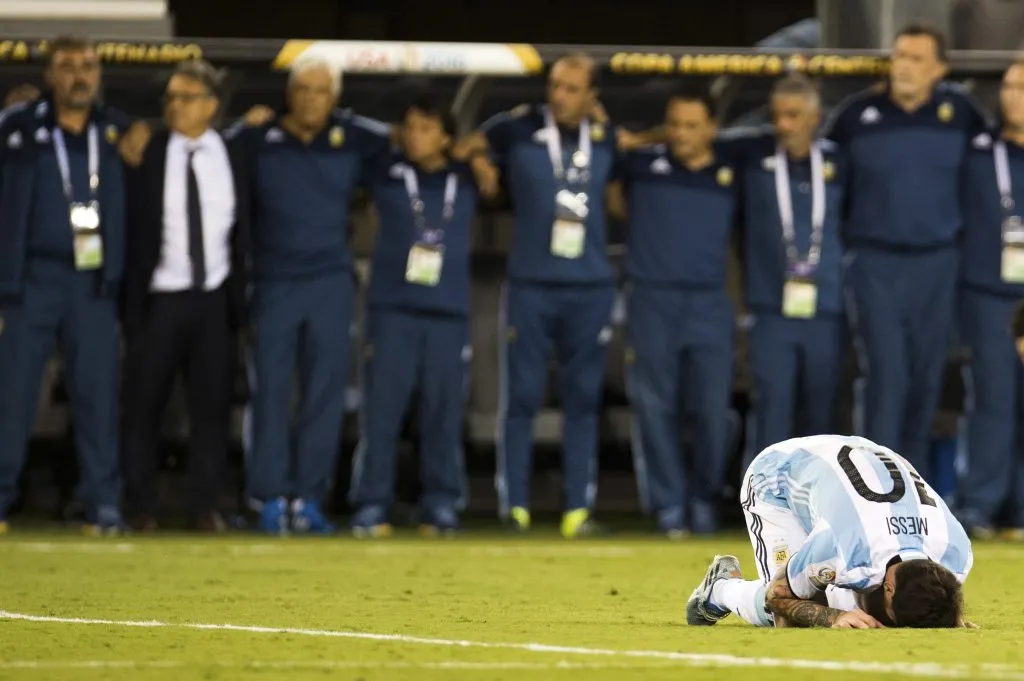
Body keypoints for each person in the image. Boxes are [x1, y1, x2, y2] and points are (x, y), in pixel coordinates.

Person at [452, 52, 618, 538]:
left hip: (589, 288)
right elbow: (467, 144)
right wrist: (482, 160)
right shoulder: (518, 128)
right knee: (520, 398)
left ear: (591, 96)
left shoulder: (607, 138)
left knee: (582, 401)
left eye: (571, 89)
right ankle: (515, 506)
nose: (559, 96)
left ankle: (577, 509)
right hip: (530, 285)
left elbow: (631, 160)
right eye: (556, 86)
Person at [229, 54, 391, 535]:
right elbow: (216, 146)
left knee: (325, 395)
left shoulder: (353, 139)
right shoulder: (259, 139)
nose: (311, 99)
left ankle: (310, 497)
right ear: (288, 94)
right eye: (303, 89)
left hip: (330, 282)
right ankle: (268, 497)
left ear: (335, 99)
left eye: (321, 91)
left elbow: (397, 138)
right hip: (274, 280)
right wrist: (242, 121)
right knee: (271, 393)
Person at [823, 23, 990, 483]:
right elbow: (825, 189)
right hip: (874, 261)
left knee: (925, 379)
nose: (904, 66)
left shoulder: (959, 113)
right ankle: (873, 488)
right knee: (886, 377)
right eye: (899, 56)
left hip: (938, 262)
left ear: (939, 69)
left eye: (916, 58)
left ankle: (912, 494)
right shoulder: (856, 115)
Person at [0, 36, 132, 535]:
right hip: (29, 280)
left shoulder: (117, 130)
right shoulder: (16, 128)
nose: (80, 74)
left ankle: (104, 505)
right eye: (67, 66)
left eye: (88, 65)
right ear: (50, 75)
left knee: (97, 397)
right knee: (12, 397)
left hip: (91, 283)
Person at [120, 60, 250, 533]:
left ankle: (204, 507)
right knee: (142, 405)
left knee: (212, 410)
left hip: (215, 299)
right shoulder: (147, 151)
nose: (175, 106)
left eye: (186, 97)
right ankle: (141, 506)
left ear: (212, 106)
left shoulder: (236, 152)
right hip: (160, 298)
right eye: (170, 98)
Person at [605, 87, 738, 536]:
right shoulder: (642, 167)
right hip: (651, 299)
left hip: (708, 302)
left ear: (711, 130)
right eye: (674, 124)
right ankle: (668, 507)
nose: (681, 134)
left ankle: (703, 496)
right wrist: (650, 138)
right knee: (654, 407)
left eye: (691, 125)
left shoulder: (730, 172)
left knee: (711, 409)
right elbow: (612, 168)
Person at [347, 96, 475, 537]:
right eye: (410, 127)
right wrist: (389, 133)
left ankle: (440, 505)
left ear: (446, 136)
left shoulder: (468, 175)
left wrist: (477, 154)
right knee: (381, 414)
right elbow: (352, 131)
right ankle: (371, 504)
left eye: (426, 127)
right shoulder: (384, 169)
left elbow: (495, 157)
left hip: (447, 313)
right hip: (393, 310)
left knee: (442, 415)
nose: (415, 136)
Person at [686, 434, 973, 629]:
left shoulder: (956, 553)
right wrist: (832, 617)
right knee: (793, 613)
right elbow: (779, 595)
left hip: (857, 456)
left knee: (853, 603)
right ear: (888, 586)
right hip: (778, 476)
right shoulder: (840, 547)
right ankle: (720, 589)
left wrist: (946, 616)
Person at [728, 74, 846, 470]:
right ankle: (762, 506)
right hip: (770, 307)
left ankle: (820, 507)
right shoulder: (753, 160)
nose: (784, 125)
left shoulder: (838, 163)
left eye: (794, 115)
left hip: (825, 307)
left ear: (815, 117)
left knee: (821, 416)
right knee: (771, 410)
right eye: (778, 116)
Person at [957, 60, 1024, 540]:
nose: (1012, 95)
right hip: (990, 296)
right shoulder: (978, 151)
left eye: (1022, 86)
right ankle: (979, 506)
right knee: (992, 402)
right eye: (1008, 86)